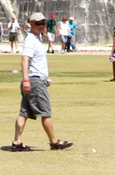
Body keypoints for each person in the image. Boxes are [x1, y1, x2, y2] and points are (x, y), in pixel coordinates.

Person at [11, 13, 73, 152]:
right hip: (34, 81)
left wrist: (45, 78)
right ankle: (54, 141)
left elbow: (36, 62)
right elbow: (25, 60)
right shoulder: (31, 40)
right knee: (45, 112)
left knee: (24, 113)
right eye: (38, 24)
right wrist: (26, 80)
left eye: (43, 24)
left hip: (36, 79)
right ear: (31, 23)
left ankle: (17, 141)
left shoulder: (36, 39)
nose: (41, 26)